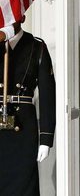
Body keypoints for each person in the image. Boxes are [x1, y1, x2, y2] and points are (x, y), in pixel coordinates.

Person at [0, 16, 56, 195]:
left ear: (22, 17)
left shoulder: (37, 46)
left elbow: (48, 95)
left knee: (24, 184)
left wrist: (46, 139)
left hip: (23, 126)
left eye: (13, 15)